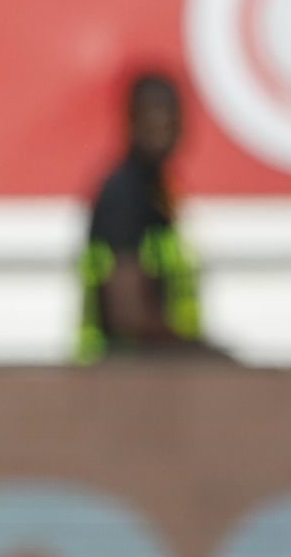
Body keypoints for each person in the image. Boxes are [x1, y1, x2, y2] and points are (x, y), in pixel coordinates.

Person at [78, 72, 224, 362]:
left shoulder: (158, 192)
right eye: (153, 114)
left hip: (147, 372)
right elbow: (127, 312)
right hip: (123, 374)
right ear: (132, 120)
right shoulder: (126, 194)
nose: (163, 126)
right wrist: (195, 350)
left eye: (170, 116)